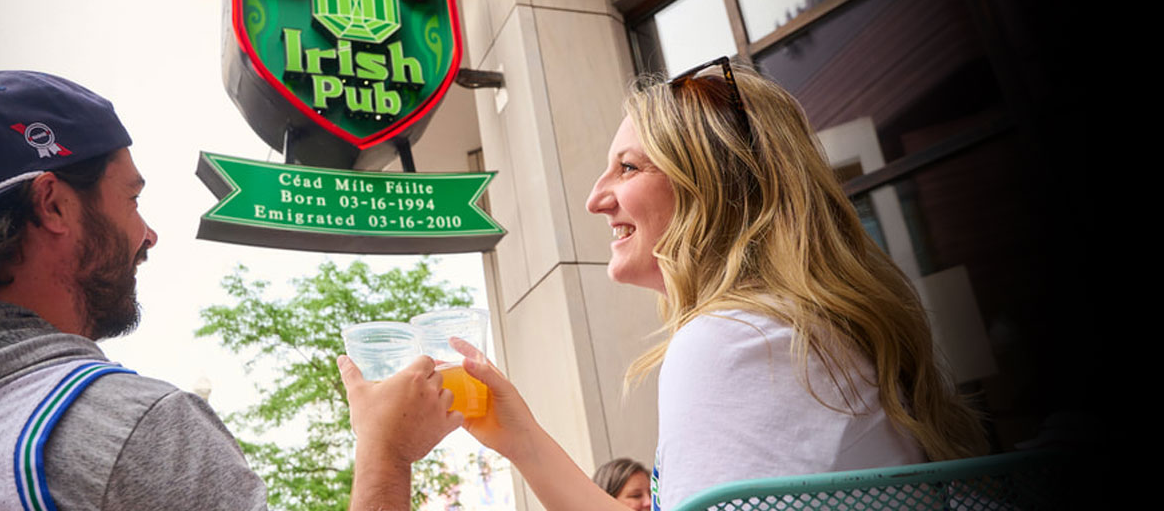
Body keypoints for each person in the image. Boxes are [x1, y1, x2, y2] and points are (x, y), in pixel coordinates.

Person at [0, 70, 461, 510]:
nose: (148, 233)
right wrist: (386, 455)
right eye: (130, 199)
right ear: (54, 205)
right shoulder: (127, 430)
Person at [373, 58, 989, 510]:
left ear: (712, 188)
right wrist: (521, 439)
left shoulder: (733, 340)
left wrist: (384, 454)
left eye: (628, 167)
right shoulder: (785, 329)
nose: (594, 198)